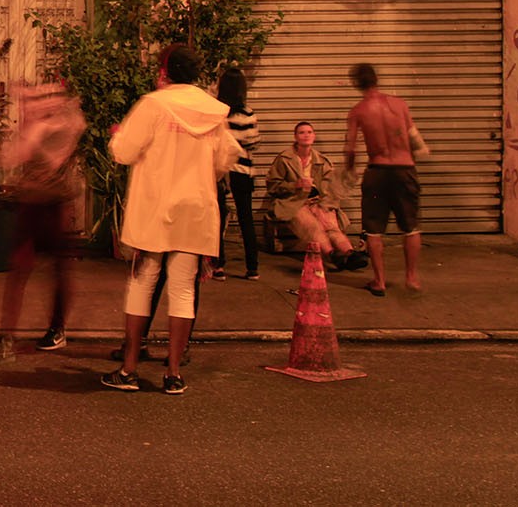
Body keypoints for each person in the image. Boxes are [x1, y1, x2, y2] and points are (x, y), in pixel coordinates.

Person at [102, 44, 240, 395]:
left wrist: (117, 134)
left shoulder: (154, 105)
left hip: (154, 209)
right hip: (195, 209)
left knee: (142, 283)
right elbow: (225, 159)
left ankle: (129, 369)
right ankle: (173, 373)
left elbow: (124, 152)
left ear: (165, 71)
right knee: (182, 290)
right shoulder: (213, 111)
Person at [0, 82, 86, 360]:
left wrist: (35, 128)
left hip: (54, 205)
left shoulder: (56, 126)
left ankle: (54, 329)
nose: (43, 103)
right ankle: (7, 332)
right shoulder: (51, 124)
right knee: (21, 268)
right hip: (31, 203)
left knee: (56, 271)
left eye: (50, 98)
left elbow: (19, 155)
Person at [343, 63, 428, 296]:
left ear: (355, 84)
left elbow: (350, 148)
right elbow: (414, 138)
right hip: (404, 169)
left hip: (377, 171)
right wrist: (417, 154)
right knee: (411, 227)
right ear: (376, 79)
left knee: (373, 230)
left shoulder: (358, 111)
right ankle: (411, 277)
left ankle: (379, 281)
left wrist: (349, 171)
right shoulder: (399, 104)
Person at [267, 122, 367, 271]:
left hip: (317, 201)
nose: (306, 135)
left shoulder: (322, 161)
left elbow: (329, 187)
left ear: (314, 136)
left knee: (331, 225)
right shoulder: (284, 159)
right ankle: (332, 255)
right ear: (295, 137)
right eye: (301, 132)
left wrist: (327, 202)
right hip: (293, 202)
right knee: (313, 226)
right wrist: (295, 185)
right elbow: (272, 186)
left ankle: (349, 253)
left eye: (309, 132)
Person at [213, 67, 260, 281]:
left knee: (218, 218)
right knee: (246, 218)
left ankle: (218, 266)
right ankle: (252, 268)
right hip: (243, 170)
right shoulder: (248, 114)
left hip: (219, 170)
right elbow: (254, 143)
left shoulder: (215, 112)